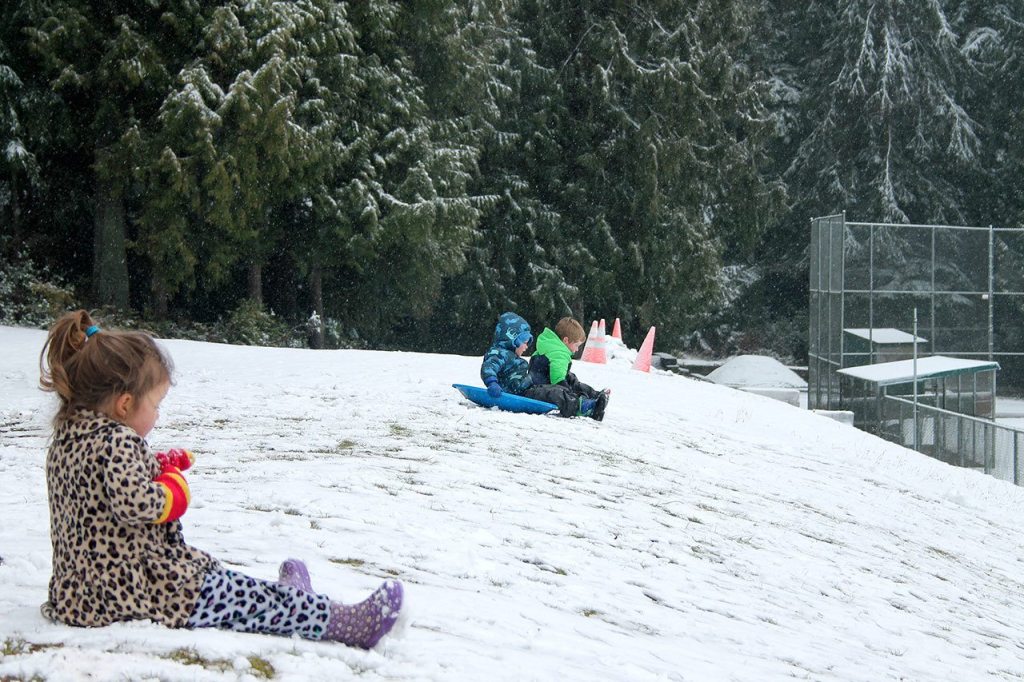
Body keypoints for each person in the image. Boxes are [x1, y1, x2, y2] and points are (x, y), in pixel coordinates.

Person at [37, 310, 403, 648]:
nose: (158, 415)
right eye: (156, 404)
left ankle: (295, 598)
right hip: (136, 589)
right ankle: (347, 623)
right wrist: (171, 484)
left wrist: (154, 463)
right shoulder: (117, 441)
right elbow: (140, 503)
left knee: (218, 578)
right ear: (124, 404)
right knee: (235, 596)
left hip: (80, 593)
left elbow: (102, 492)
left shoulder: (69, 441)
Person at [524, 316, 610, 420]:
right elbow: (558, 378)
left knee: (570, 378)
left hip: (544, 384)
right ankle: (583, 406)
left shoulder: (550, 345)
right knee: (561, 393)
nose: (577, 349)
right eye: (576, 345)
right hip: (540, 388)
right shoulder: (559, 353)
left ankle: (594, 396)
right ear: (566, 340)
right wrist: (570, 393)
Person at [480, 312, 533, 398]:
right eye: (525, 342)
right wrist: (492, 383)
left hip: (523, 391)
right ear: (515, 341)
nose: (527, 347)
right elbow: (489, 366)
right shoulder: (499, 353)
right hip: (516, 392)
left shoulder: (512, 357)